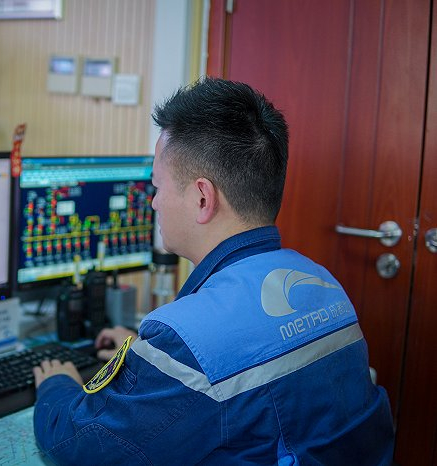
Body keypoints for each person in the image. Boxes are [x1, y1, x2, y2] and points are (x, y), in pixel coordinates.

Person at [32, 77, 395, 465]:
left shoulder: (189, 342)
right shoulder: (323, 284)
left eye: (158, 186)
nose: (154, 204)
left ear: (203, 198)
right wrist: (150, 357)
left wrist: (57, 383)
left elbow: (80, 446)